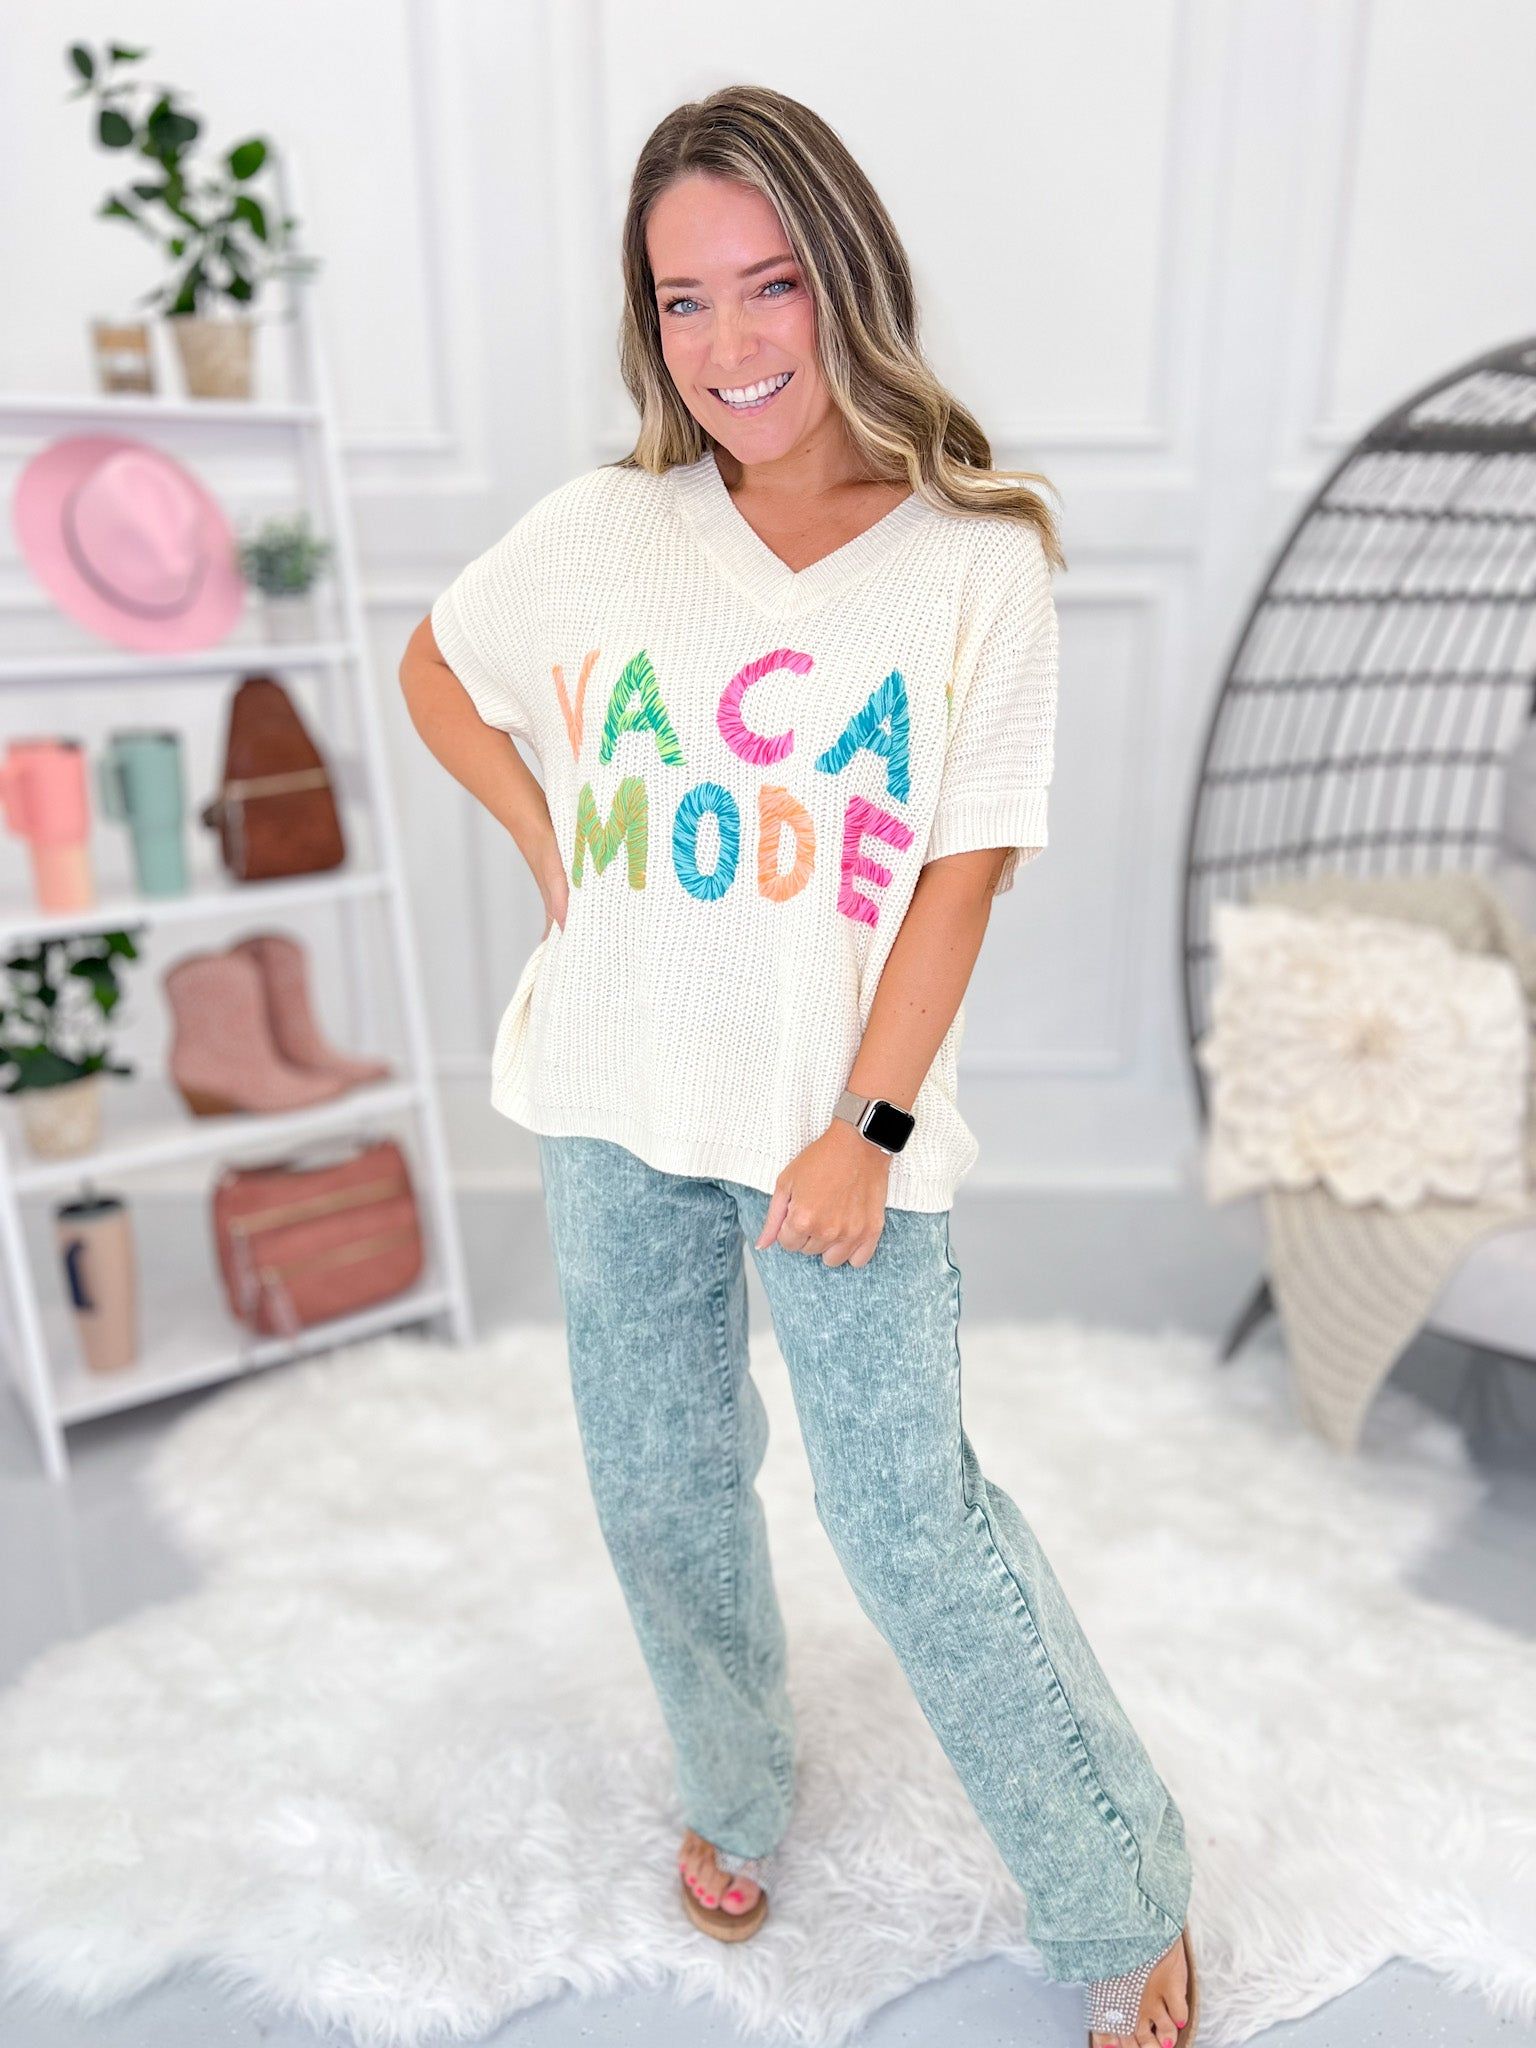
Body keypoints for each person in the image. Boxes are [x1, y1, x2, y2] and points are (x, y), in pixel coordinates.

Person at [399, 83, 1198, 2048]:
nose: (732, 342)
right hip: (610, 1096)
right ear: (647, 324)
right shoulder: (604, 531)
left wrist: (866, 1126)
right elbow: (436, 665)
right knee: (662, 1493)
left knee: (909, 1522)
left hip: (833, 1124)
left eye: (771, 286)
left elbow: (960, 875)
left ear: (849, 281)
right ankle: (737, 1786)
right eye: (683, 301)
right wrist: (550, 847)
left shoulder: (973, 557)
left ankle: (1119, 1886)